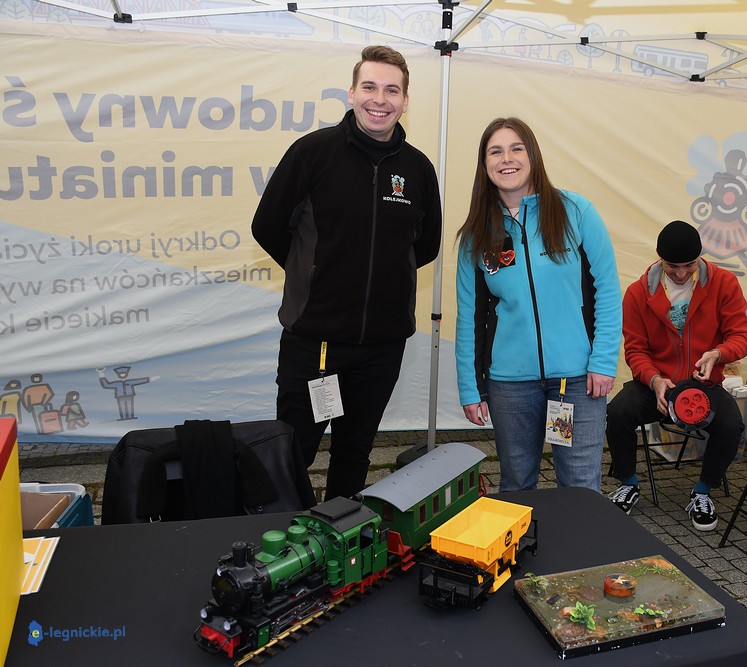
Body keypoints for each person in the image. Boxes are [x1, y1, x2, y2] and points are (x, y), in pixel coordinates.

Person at [252, 45, 441, 501]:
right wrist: (315, 274)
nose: (380, 99)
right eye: (370, 87)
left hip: (382, 346)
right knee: (294, 452)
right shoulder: (312, 153)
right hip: (314, 342)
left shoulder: (418, 169)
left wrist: (382, 281)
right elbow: (268, 226)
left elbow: (425, 246)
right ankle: (285, 532)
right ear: (352, 93)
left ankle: (340, 529)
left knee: (354, 452)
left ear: (405, 101)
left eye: (392, 90)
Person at [454, 117, 622, 493]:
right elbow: (469, 317)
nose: (507, 159)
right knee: (516, 484)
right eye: (495, 151)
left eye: (516, 148)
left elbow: (608, 291)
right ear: (484, 164)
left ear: (532, 155)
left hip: (576, 381)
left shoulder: (575, 211)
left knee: (579, 485)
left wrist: (603, 361)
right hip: (510, 385)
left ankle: (578, 537)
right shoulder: (476, 235)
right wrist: (470, 387)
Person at [605, 220, 747, 529]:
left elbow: (741, 336)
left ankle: (703, 491)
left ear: (699, 257)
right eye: (672, 266)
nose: (682, 274)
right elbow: (635, 351)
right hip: (658, 384)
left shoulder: (724, 284)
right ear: (659, 257)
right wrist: (654, 379)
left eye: (689, 265)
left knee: (731, 426)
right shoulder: (638, 293)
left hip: (703, 384)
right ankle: (628, 483)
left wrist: (717, 354)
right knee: (617, 413)